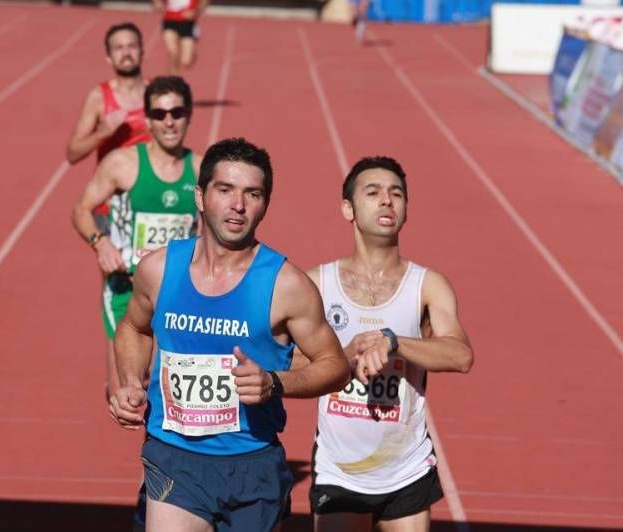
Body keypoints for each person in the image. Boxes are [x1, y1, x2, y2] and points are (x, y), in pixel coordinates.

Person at [109, 137, 352, 532]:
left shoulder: (286, 285)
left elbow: (336, 366)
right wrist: (130, 381)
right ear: (201, 197)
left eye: (252, 194)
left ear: (264, 205)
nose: (238, 205)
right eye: (225, 190)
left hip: (251, 465)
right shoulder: (158, 269)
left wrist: (274, 382)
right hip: (174, 457)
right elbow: (134, 329)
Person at [296, 156, 474, 531]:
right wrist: (342, 358)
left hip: (406, 467)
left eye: (396, 193)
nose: (387, 201)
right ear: (348, 208)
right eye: (373, 192)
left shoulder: (428, 285)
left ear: (407, 209)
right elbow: (282, 361)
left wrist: (395, 342)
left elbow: (460, 355)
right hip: (339, 470)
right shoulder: (316, 284)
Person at [72, 76, 201, 404]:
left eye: (176, 112)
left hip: (176, 290)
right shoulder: (122, 163)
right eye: (159, 114)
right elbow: (82, 210)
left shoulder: (201, 170)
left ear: (189, 115)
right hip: (126, 288)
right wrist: (100, 242)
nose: (168, 121)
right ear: (147, 120)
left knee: (168, 388)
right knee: (124, 392)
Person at [67, 22, 151, 234]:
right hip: (112, 206)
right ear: (109, 57)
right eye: (119, 48)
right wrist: (101, 134)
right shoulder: (99, 97)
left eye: (132, 46)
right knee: (116, 267)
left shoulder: (157, 95)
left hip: (151, 202)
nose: (126, 53)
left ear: (142, 51)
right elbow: (72, 153)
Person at [152, 0, 207, 75]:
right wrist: (157, 3)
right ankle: (173, 81)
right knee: (173, 52)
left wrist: (196, 12)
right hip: (169, 21)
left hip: (188, 23)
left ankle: (193, 44)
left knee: (186, 61)